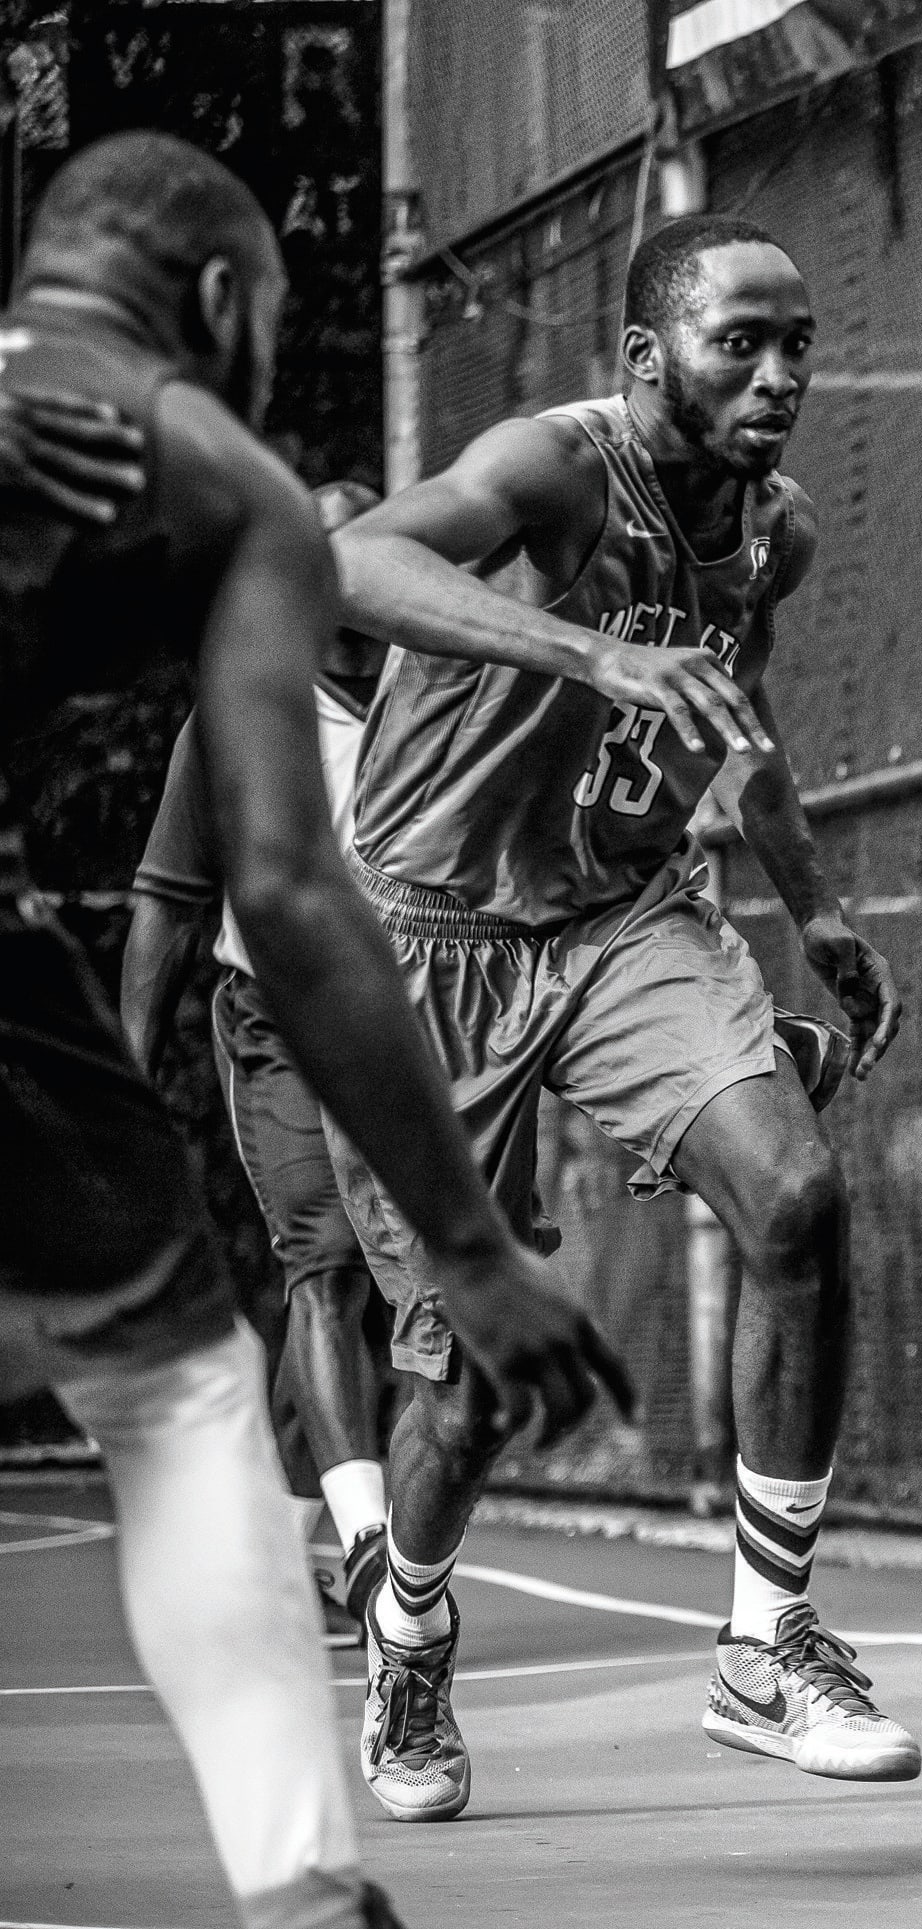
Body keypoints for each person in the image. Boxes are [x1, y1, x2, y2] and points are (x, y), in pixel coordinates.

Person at [0, 131, 629, 1929]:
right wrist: (470, 1243)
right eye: (269, 321)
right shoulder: (226, 483)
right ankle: (294, 1876)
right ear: (217, 302)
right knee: (185, 1390)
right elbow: (289, 896)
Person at [328, 211, 913, 1825]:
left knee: (796, 1193)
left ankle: (765, 1635)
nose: (782, 373)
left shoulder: (768, 533)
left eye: (800, 343)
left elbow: (740, 702)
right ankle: (411, 1621)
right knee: (469, 1388)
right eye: (744, 341)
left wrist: (821, 905)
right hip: (427, 947)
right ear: (650, 354)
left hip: (622, 917)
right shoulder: (555, 467)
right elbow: (352, 559)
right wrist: (591, 647)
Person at [122, 477, 400, 1647]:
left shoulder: (447, 695)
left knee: (392, 1297)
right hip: (278, 1021)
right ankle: (378, 1557)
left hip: (422, 1030)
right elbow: (168, 909)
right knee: (323, 1264)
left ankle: (295, 1538)